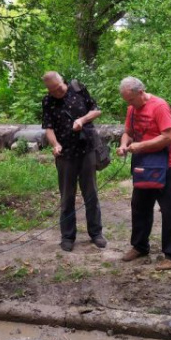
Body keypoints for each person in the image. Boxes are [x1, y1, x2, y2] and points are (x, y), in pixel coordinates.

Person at [117, 76, 171, 270]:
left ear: (140, 93)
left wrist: (141, 145)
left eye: (130, 100)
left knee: (169, 210)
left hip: (165, 164)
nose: (129, 104)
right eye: (126, 101)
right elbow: (127, 132)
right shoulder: (132, 109)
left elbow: (168, 137)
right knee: (139, 206)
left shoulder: (159, 106)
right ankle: (139, 246)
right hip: (143, 163)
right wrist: (123, 145)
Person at [41, 71, 106, 252]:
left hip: (86, 150)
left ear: (63, 81)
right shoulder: (47, 101)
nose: (56, 92)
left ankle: (96, 233)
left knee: (91, 193)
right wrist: (55, 144)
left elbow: (97, 110)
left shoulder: (78, 89)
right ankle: (68, 236)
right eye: (52, 90)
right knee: (67, 196)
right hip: (65, 155)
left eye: (58, 88)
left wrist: (82, 120)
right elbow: (48, 128)